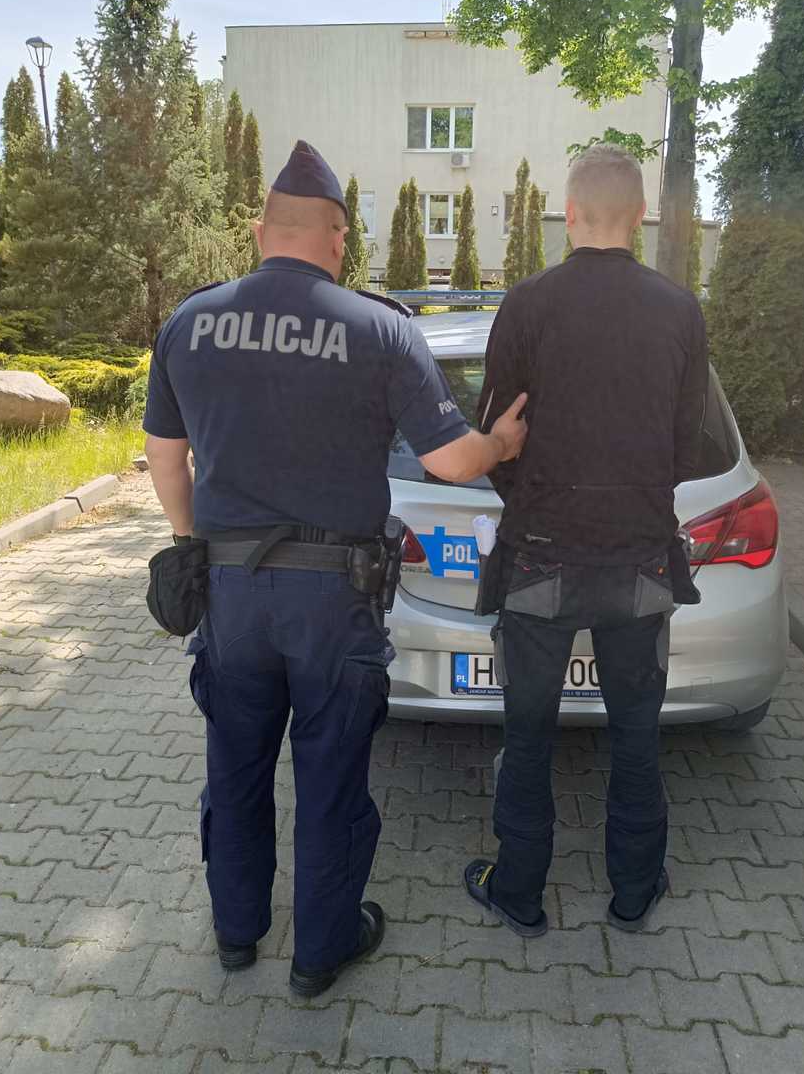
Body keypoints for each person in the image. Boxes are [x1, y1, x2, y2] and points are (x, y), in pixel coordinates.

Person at [142, 140, 528, 996]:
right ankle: (319, 954)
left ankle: (236, 934)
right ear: (338, 240)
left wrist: (193, 542)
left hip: (230, 596)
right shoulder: (379, 328)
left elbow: (166, 459)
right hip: (335, 600)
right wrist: (500, 442)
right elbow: (449, 461)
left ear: (259, 231)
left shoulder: (190, 323)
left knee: (235, 770)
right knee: (329, 776)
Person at [467, 143, 708, 936]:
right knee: (636, 734)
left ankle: (519, 893)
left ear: (567, 214)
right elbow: (688, 447)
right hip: (640, 561)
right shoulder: (679, 310)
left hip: (540, 556)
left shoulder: (526, 304)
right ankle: (634, 891)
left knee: (528, 734)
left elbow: (495, 435)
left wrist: (534, 504)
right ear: (640, 217)